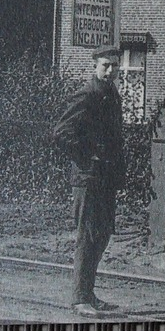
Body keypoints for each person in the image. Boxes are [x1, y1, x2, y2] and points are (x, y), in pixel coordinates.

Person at [53, 45, 125, 315]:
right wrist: (88, 155)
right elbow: (61, 132)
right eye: (106, 65)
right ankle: (79, 298)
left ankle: (89, 293)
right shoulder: (88, 94)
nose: (110, 71)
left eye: (115, 66)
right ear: (95, 65)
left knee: (102, 234)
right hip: (88, 177)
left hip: (105, 178)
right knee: (87, 235)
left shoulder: (111, 95)